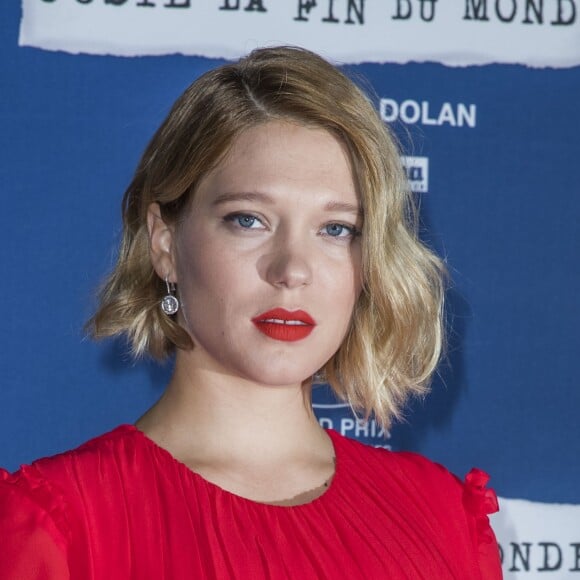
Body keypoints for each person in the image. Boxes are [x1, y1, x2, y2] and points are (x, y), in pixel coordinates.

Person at [0, 46, 501, 579]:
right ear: (165, 242)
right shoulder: (62, 524)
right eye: (249, 220)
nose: (291, 270)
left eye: (336, 230)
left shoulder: (440, 516)